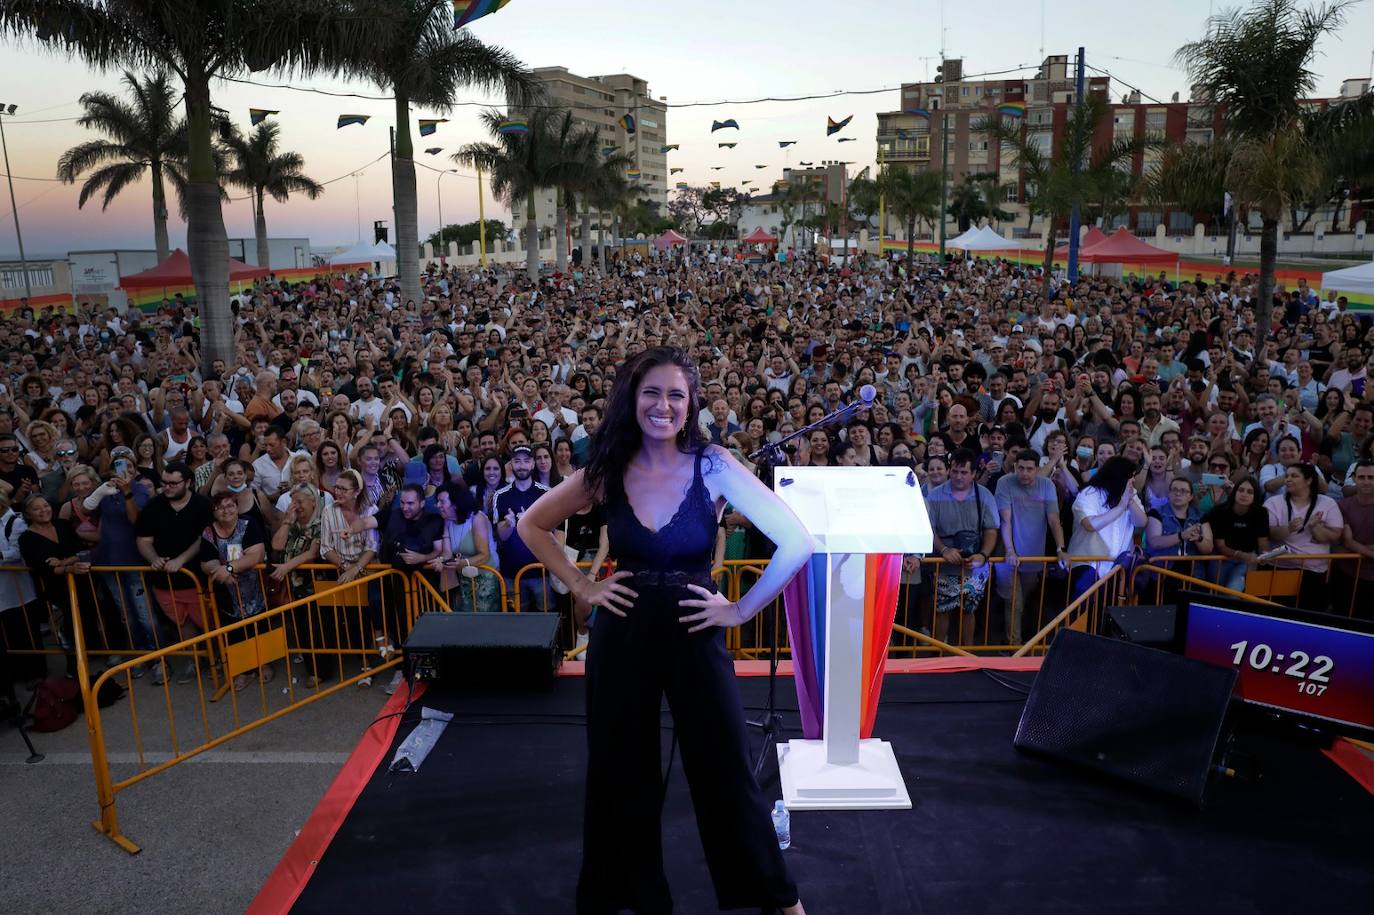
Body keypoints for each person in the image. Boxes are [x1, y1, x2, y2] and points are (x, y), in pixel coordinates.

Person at [517, 346, 810, 915]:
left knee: (726, 767)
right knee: (619, 770)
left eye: (676, 395)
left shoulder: (715, 464)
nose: (663, 405)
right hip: (621, 639)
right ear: (632, 397)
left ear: (691, 403)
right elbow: (533, 524)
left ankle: (777, 898)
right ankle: (629, 896)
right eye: (652, 392)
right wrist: (582, 584)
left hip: (697, 639)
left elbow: (796, 541)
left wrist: (741, 609)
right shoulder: (607, 468)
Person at [134, 461, 214, 682]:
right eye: (164, 483)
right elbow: (143, 539)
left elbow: (204, 537)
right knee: (182, 623)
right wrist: (153, 558)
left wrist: (181, 560)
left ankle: (218, 657)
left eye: (173, 483)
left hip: (196, 578)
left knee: (208, 622)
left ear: (188, 482)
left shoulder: (202, 505)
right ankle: (196, 659)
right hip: (164, 581)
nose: (167, 487)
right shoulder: (153, 506)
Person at [925, 448, 999, 646]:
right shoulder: (935, 496)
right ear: (949, 470)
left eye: (964, 472)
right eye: (955, 471)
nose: (959, 476)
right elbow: (930, 529)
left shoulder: (984, 495)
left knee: (969, 611)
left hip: (974, 563)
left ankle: (966, 655)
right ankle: (937, 655)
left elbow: (991, 529)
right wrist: (943, 550)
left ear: (974, 473)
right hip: (943, 562)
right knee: (941, 610)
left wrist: (983, 555)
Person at [198, 490, 269, 691]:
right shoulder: (209, 532)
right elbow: (206, 562)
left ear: (237, 508)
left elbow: (255, 554)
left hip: (253, 589)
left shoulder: (248, 525)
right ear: (214, 512)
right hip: (226, 593)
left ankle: (264, 663)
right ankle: (245, 670)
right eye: (220, 507)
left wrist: (228, 567)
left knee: (259, 626)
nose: (225, 510)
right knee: (234, 631)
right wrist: (218, 571)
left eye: (230, 506)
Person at [995, 450, 1067, 645]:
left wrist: (1061, 549)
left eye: (1029, 469)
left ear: (1037, 469)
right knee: (1014, 602)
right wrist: (1010, 550)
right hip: (1006, 553)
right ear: (1014, 467)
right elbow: (1005, 520)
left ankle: (1012, 641)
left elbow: (1054, 520)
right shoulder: (1004, 483)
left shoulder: (1047, 485)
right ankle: (1014, 648)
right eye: (1020, 468)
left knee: (1024, 600)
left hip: (1034, 554)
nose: (1024, 473)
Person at [1264, 462, 1344, 612]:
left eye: (1294, 476)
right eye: (1287, 476)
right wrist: (1288, 529)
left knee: (1309, 615)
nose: (1288, 479)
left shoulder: (1327, 503)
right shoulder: (1273, 502)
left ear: (1308, 480)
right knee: (1278, 614)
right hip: (1280, 568)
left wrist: (1315, 527)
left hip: (1314, 571)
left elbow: (1335, 535)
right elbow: (1268, 533)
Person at [1067, 456, 1148, 600]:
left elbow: (1141, 522)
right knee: (1084, 610)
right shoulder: (1089, 493)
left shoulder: (1130, 494)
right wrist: (1121, 507)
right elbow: (1090, 524)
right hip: (1090, 564)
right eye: (1131, 477)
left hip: (1118, 567)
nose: (1133, 481)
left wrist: (1129, 501)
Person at [493, 444, 550, 612]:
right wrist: (509, 524)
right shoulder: (501, 495)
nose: (522, 465)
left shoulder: (546, 494)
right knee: (517, 622)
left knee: (548, 617)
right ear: (511, 464)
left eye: (526, 461)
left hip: (541, 571)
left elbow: (553, 532)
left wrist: (530, 522)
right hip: (511, 572)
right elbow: (502, 536)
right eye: (517, 461)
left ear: (533, 464)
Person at [429, 482, 499, 613]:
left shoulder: (477, 518)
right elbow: (447, 552)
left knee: (485, 622)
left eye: (442, 501)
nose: (438, 505)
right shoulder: (448, 520)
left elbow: (485, 555)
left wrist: (462, 563)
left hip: (487, 577)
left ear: (455, 503)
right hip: (464, 578)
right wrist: (440, 560)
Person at [1206, 476, 1270, 594]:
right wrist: (1241, 554)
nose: (1244, 494)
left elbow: (1263, 542)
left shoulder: (1261, 513)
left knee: (1233, 591)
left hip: (1247, 560)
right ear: (1235, 492)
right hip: (1222, 558)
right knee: (1216, 592)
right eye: (1241, 490)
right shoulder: (1220, 511)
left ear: (1255, 496)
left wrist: (1265, 554)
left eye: (1250, 492)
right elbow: (1220, 546)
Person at [1334, 460, 1374, 619]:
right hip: (1344, 575)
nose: (1366, 481)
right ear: (1354, 479)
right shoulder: (1342, 505)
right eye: (1362, 477)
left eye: (1371, 477)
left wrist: (1352, 545)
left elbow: (1349, 544)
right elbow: (1345, 542)